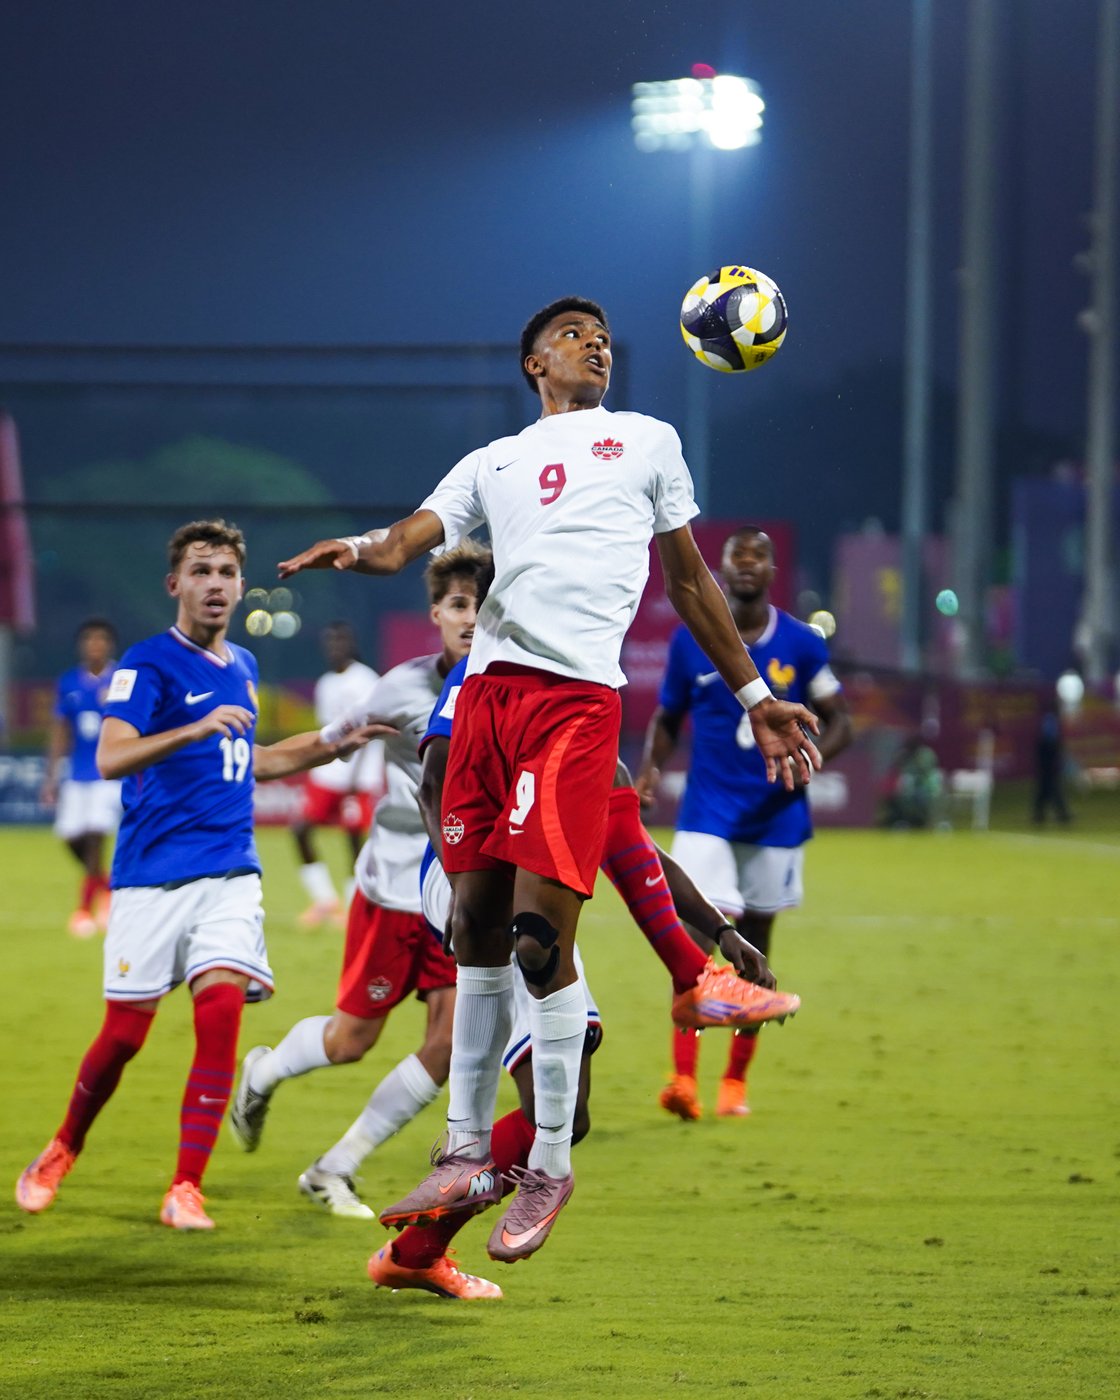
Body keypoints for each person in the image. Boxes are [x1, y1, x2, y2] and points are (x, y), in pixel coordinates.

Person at [277, 296, 820, 1262]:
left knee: (537, 938)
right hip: (487, 699)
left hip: (575, 703)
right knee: (474, 929)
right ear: (535, 363)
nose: (595, 344)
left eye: (603, 336)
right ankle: (466, 1151)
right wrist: (357, 551)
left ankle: (552, 1161)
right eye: (573, 335)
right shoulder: (493, 462)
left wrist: (753, 695)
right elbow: (409, 538)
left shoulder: (647, 442)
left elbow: (690, 581)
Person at [368, 659, 784, 1298]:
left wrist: (723, 932)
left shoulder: (576, 701)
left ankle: (418, 1249)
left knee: (570, 1113)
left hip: (536, 895)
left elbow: (634, 848)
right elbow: (435, 784)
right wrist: (459, 891)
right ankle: (413, 1186)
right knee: (533, 1074)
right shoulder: (485, 676)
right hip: (469, 887)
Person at [15, 520, 383, 1231]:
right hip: (151, 878)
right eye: (201, 571)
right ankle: (63, 1146)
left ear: (242, 587)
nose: (215, 585)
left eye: (226, 573)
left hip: (229, 876)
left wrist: (333, 742)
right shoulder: (146, 665)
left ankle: (187, 1186)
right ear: (175, 584)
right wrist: (192, 726)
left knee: (218, 1020)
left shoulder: (242, 665)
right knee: (124, 1036)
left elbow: (255, 761)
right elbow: (115, 755)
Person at [228, 543, 493, 1222]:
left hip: (461, 890)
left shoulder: (512, 683)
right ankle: (263, 1070)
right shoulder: (400, 688)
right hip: (394, 887)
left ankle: (334, 1166)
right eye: (459, 604)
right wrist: (250, 763)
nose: (470, 618)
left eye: (483, 605)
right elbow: (323, 743)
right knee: (352, 1042)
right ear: (436, 611)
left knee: (449, 1041)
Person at [637, 526, 851, 1121]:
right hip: (708, 813)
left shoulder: (804, 644)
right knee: (699, 942)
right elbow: (667, 717)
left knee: (757, 949)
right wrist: (650, 772)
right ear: (723, 571)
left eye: (759, 556)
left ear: (772, 569)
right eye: (738, 557)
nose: (748, 565)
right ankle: (683, 1079)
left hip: (777, 816)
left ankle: (735, 1084)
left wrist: (813, 758)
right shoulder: (691, 642)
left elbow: (842, 721)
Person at [292, 621, 383, 927]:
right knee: (300, 828)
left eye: (340, 641)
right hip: (330, 772)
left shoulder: (365, 679)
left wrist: (356, 777)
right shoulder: (326, 684)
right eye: (330, 642)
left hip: (361, 773)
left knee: (354, 838)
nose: (334, 647)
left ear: (351, 644)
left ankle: (352, 907)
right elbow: (327, 733)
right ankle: (325, 900)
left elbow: (370, 728)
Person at [41, 617, 122, 937]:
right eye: (89, 640)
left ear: (109, 644)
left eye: (101, 639)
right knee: (70, 836)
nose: (95, 645)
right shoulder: (69, 682)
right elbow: (61, 731)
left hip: (110, 773)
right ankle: (108, 888)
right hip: (77, 773)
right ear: (82, 645)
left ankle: (84, 910)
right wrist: (51, 777)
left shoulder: (122, 680)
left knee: (94, 834)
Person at [1032, 700, 1070, 824]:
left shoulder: (1048, 719)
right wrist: (1055, 754)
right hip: (1048, 756)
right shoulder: (1051, 719)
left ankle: (1040, 815)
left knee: (1045, 787)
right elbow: (1049, 739)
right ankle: (1061, 814)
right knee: (1052, 786)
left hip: (1046, 756)